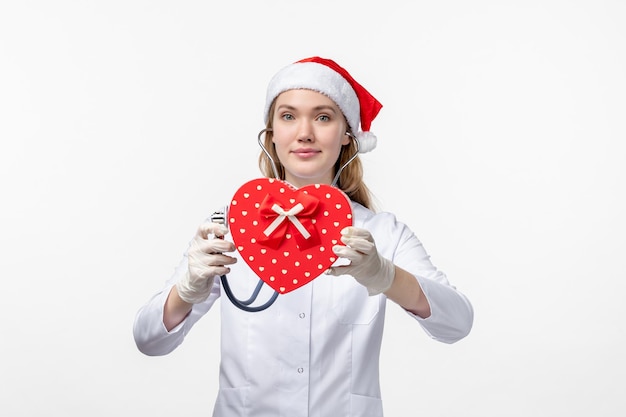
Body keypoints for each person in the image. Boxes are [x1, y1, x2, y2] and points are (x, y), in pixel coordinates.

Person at [133, 56, 474, 417]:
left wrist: (386, 276)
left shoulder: (381, 234)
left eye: (323, 117)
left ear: (347, 135)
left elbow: (457, 324)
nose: (304, 132)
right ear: (272, 134)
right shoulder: (229, 227)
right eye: (289, 116)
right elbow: (148, 340)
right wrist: (188, 289)